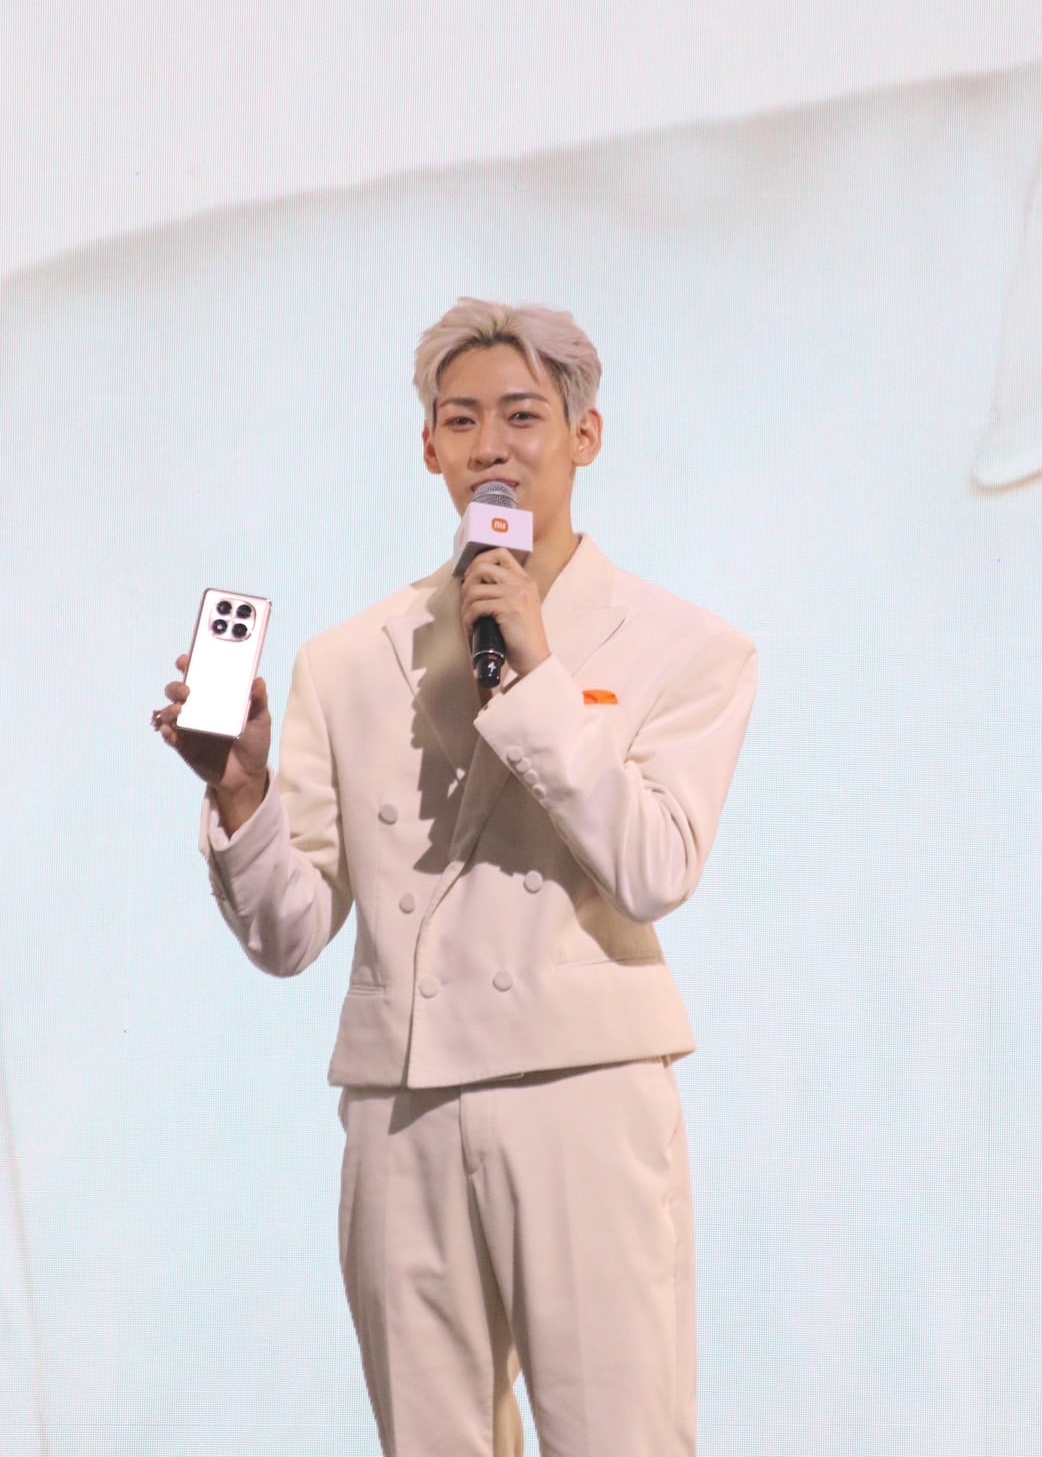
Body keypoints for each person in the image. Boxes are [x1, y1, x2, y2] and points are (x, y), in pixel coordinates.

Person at [153, 299, 758, 1457]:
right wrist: (241, 791)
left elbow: (654, 865)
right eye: (462, 419)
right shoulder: (348, 658)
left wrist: (536, 672)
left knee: (619, 1437)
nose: (493, 447)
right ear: (429, 447)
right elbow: (289, 932)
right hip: (403, 1104)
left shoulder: (687, 648)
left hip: (583, 1086)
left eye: (523, 416)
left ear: (584, 435)